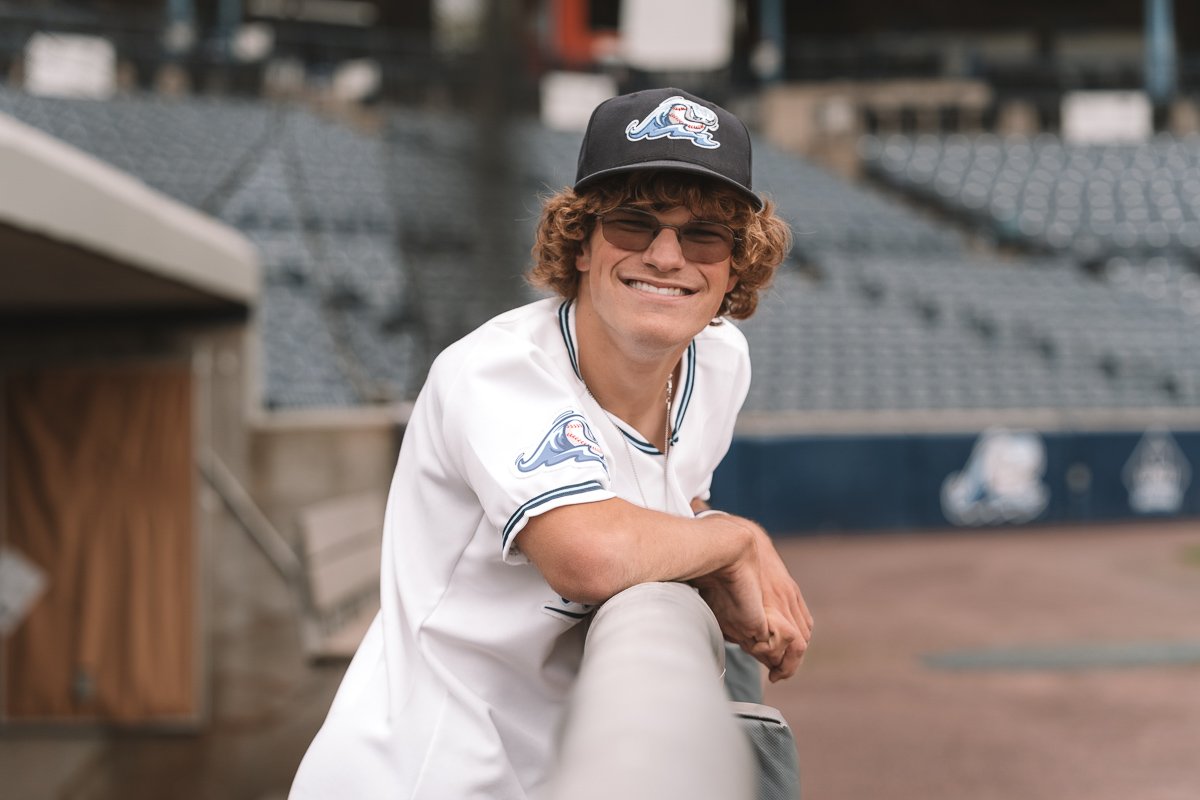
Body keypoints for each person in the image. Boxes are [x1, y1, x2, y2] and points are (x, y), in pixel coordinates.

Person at [289, 87, 812, 800]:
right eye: (634, 223)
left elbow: (670, 505)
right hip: (416, 771)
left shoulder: (721, 363)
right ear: (582, 240)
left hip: (548, 765)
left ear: (734, 265)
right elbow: (588, 555)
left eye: (704, 235)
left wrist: (704, 538)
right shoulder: (498, 369)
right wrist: (737, 539)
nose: (666, 256)